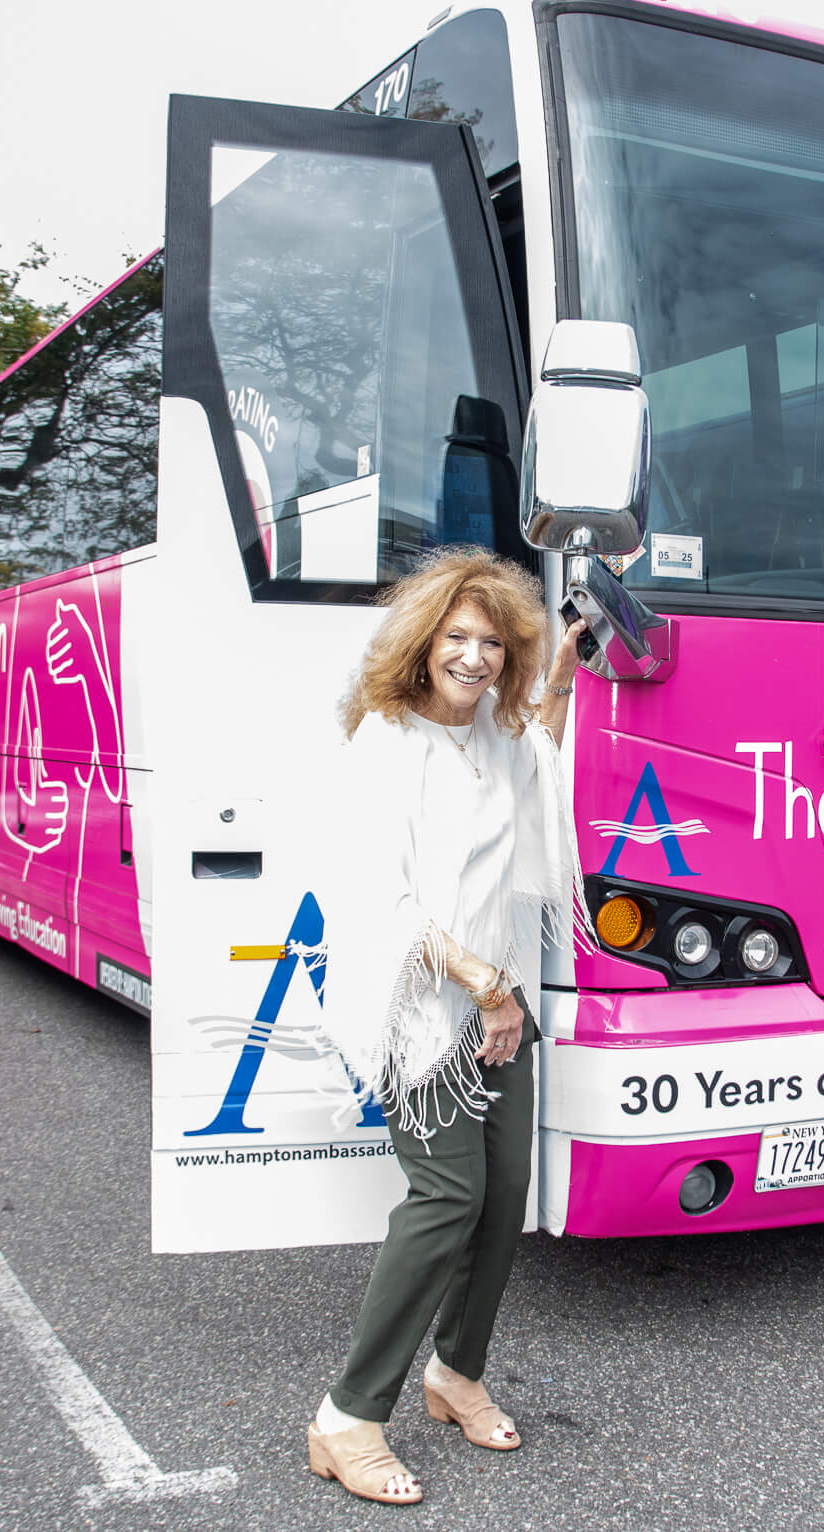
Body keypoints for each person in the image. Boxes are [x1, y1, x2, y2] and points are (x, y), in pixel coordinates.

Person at [305, 548, 588, 1507]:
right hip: (423, 1010)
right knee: (445, 1199)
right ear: (421, 646)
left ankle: (455, 1371)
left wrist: (554, 681)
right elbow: (374, 901)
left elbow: (541, 783)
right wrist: (482, 985)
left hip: (494, 1004)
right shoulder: (383, 743)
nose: (473, 658)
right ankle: (346, 1418)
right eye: (456, 639)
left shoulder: (500, 740)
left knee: (504, 1193)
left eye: (493, 644)